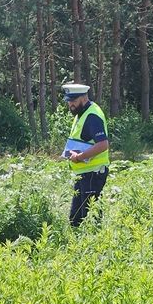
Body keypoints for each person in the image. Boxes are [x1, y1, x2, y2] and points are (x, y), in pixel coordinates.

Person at [61, 83, 110, 227]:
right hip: (84, 173)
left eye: (74, 101)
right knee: (75, 219)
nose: (70, 104)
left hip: (93, 174)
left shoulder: (92, 115)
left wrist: (80, 157)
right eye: (69, 101)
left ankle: (96, 247)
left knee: (90, 220)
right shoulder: (81, 113)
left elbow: (103, 144)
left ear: (83, 98)